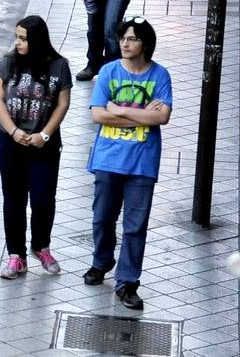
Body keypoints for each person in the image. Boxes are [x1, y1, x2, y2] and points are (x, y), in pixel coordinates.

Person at [84, 17, 172, 311]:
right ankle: (101, 261)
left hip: (142, 162)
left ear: (145, 43)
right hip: (108, 157)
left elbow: (161, 117)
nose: (125, 43)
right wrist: (140, 113)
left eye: (132, 39)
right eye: (123, 38)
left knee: (135, 227)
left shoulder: (160, 75)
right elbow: (98, 115)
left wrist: (118, 109)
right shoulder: (109, 71)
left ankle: (128, 282)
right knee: (102, 218)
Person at [0, 15, 71, 281]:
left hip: (43, 146)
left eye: (24, 38)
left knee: (42, 198)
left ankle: (41, 247)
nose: (18, 43)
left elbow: (62, 103)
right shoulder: (9, 62)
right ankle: (17, 256)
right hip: (11, 143)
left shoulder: (59, 66)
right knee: (13, 199)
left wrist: (45, 135)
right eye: (17, 37)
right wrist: (13, 131)